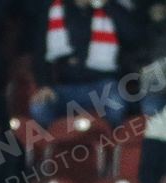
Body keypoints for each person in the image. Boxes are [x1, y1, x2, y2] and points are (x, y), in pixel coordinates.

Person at [29, 0, 135, 129]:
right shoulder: (55, 9)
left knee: (117, 103)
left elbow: (134, 37)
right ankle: (63, 138)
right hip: (66, 87)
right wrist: (44, 84)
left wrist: (107, 6)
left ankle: (106, 138)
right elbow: (40, 52)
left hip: (103, 86)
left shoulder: (113, 7)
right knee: (39, 108)